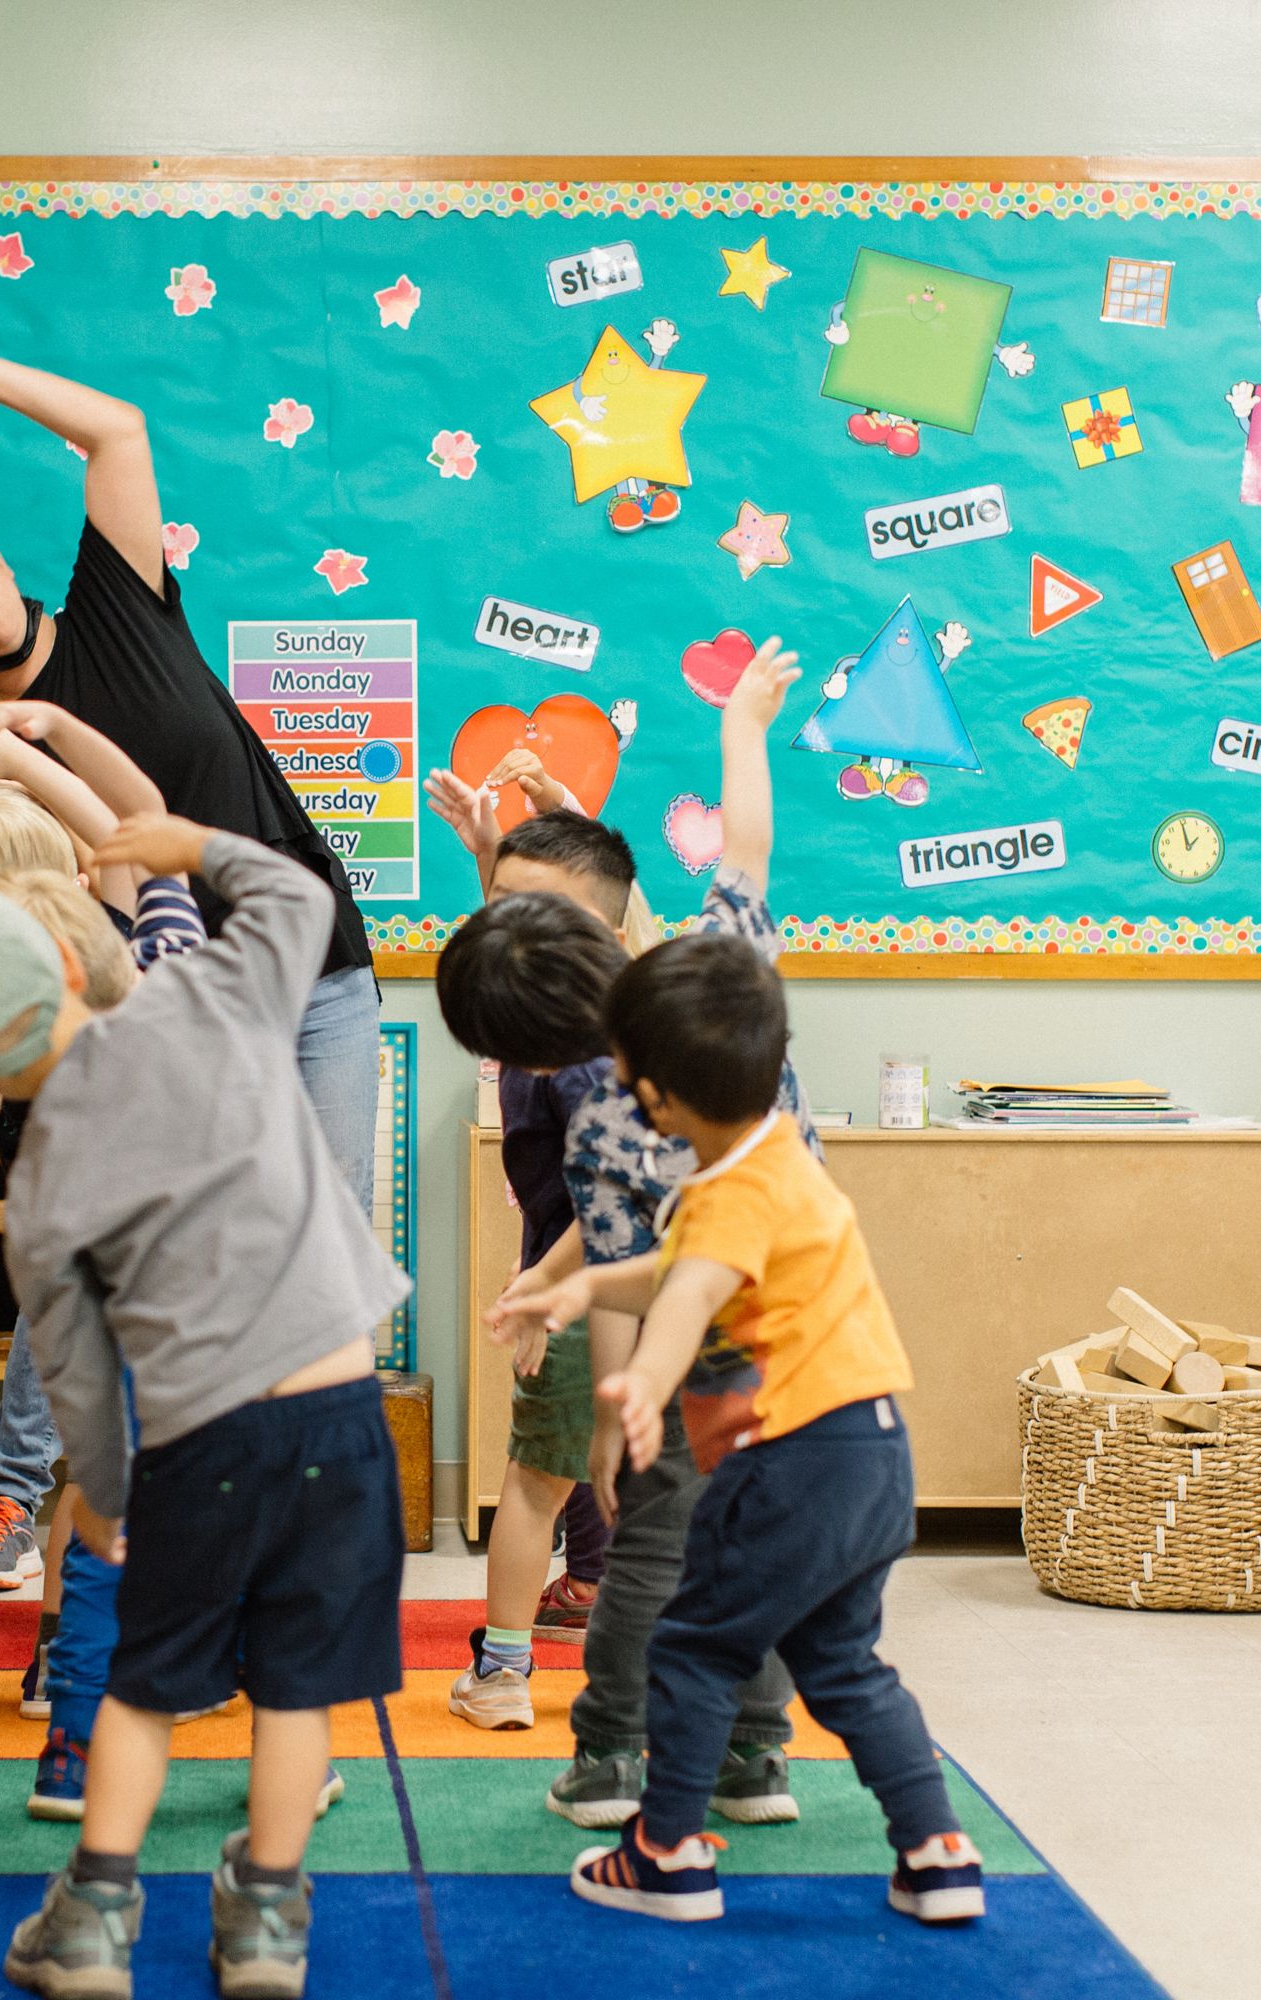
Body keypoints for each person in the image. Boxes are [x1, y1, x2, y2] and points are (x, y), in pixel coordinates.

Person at [0, 815, 407, 2000]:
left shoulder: (43, 1175)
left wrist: (104, 1499)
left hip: (195, 1443)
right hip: (339, 1413)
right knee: (301, 1685)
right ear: (66, 961)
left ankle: (99, 1909)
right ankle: (267, 1912)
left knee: (145, 1684)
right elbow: (303, 905)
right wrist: (194, 843)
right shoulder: (205, 1002)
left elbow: (72, 1363)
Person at [494, 932, 982, 1929]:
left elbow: (693, 1290)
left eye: (628, 1085)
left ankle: (667, 1851)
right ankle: (937, 1848)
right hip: (873, 1454)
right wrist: (578, 1284)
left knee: (694, 1648)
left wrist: (642, 1380)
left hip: (790, 1460)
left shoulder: (728, 1193)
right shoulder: (782, 1160)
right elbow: (688, 1266)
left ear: (663, 1101)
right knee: (846, 1663)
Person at [0, 341, 382, 1233]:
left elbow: (117, 432)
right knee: (207, 1257)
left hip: (311, 962)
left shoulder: (118, 605)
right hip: (163, 1017)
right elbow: (25, 919)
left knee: (328, 1237)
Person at [433, 642, 809, 1830]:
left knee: (649, 1554)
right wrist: (744, 724)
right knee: (749, 1551)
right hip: (806, 1332)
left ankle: (612, 1758)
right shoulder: (720, 983)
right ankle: (753, 1760)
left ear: (535, 1056)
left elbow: (614, 1277)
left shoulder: (595, 1116)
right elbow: (743, 844)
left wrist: (615, 1415)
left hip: (688, 1354)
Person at [0, 700, 173, 1600]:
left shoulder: (122, 953)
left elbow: (125, 831)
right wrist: (38, 759)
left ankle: (67, 1651)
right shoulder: (120, 960)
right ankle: (84, 1631)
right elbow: (129, 822)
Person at [419, 762, 643, 1726]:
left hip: (578, 1288)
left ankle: (506, 1672)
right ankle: (641, 1665)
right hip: (624, 1290)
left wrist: (541, 1290)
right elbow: (546, 943)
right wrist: (488, 853)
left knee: (535, 1484)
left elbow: (612, 1213)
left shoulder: (570, 1044)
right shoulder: (600, 1016)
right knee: (620, 1482)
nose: (498, 925)